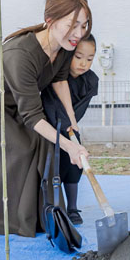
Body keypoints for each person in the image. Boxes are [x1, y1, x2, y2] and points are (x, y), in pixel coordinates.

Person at [0, 0, 91, 237]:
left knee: (44, 144)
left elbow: (59, 81)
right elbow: (33, 117)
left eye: (84, 26)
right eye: (72, 25)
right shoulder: (21, 55)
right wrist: (70, 147)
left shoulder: (64, 47)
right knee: (20, 147)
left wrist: (72, 122)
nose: (78, 34)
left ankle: (34, 214)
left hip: (14, 101)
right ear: (50, 21)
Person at [41, 34, 99, 225]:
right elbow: (51, 103)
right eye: (79, 57)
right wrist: (65, 123)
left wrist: (71, 126)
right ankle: (56, 206)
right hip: (48, 127)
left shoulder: (91, 81)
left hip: (71, 128)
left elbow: (79, 110)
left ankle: (73, 208)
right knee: (53, 167)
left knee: (75, 165)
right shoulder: (56, 75)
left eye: (89, 59)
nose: (84, 63)